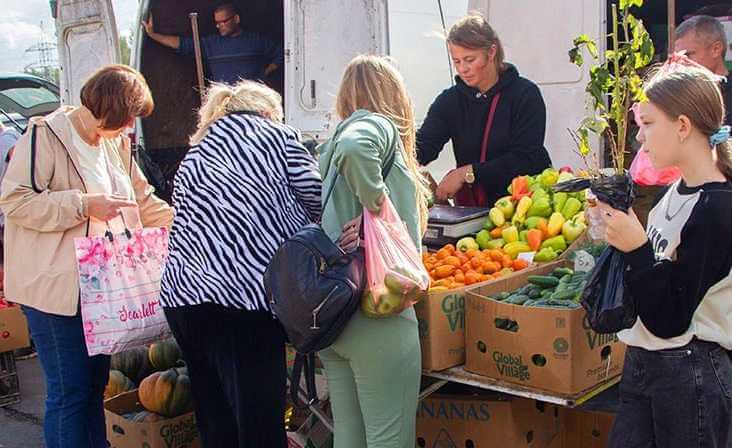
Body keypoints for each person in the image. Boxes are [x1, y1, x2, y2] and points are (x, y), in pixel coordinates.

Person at [0, 65, 173, 448]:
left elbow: (143, 200)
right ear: (111, 108)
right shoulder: (46, 135)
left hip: (100, 291)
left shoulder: (116, 143)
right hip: (54, 291)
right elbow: (15, 202)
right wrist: (83, 205)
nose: (131, 127)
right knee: (70, 392)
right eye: (129, 117)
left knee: (94, 389)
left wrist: (186, 226)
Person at [159, 80, 321, 447]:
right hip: (243, 301)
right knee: (259, 421)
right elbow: (320, 197)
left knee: (215, 417)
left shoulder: (197, 152)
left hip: (183, 300)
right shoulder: (277, 138)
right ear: (267, 113)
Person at [600, 65, 732, 447]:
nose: (640, 138)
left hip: (690, 372)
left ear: (683, 126)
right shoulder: (677, 191)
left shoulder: (716, 209)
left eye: (648, 123)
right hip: (646, 361)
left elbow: (671, 318)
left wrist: (637, 247)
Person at [317, 54, 430, 448]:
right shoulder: (375, 124)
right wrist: (380, 210)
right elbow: (355, 147)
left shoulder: (327, 147)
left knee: (349, 438)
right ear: (393, 95)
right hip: (379, 313)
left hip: (337, 320)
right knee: (389, 439)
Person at [417, 15, 551, 207]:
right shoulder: (449, 101)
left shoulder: (525, 94)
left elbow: (526, 158)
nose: (463, 69)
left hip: (525, 208)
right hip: (473, 210)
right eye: (457, 61)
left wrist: (467, 173)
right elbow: (424, 146)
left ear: (491, 52)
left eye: (470, 60)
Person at [142, 3, 283, 84]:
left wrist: (264, 73)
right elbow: (182, 44)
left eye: (224, 21)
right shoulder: (211, 44)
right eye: (217, 23)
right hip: (223, 103)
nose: (219, 26)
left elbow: (282, 54)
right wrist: (153, 35)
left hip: (253, 101)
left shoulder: (256, 41)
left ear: (236, 19)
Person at [675, 15, 732, 125]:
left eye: (687, 55)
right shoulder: (679, 96)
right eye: (677, 57)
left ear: (716, 49)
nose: (681, 62)